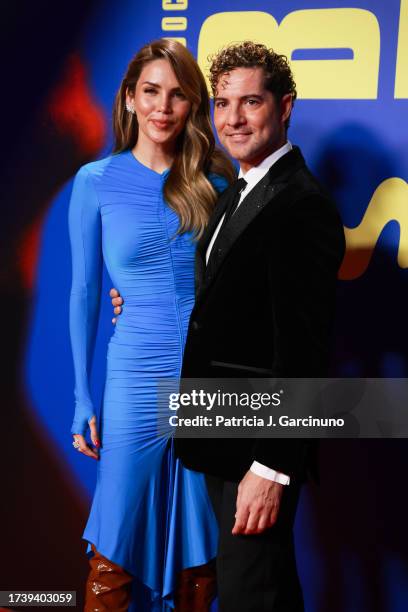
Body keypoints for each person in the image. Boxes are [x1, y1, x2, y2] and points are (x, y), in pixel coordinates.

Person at [112, 41, 345, 611]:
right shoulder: (234, 194)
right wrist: (135, 298)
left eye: (251, 103)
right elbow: (223, 303)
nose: (233, 119)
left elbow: (304, 352)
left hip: (257, 446)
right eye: (222, 104)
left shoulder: (300, 205)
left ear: (285, 106)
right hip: (217, 431)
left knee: (251, 592)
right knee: (256, 588)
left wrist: (272, 466)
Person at [69, 39, 235, 611]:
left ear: (193, 105)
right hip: (134, 373)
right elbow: (85, 292)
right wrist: (81, 398)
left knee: (199, 535)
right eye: (151, 92)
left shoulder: (216, 187)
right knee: (116, 528)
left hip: (202, 380)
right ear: (129, 99)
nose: (163, 107)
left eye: (178, 95)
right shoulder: (95, 181)